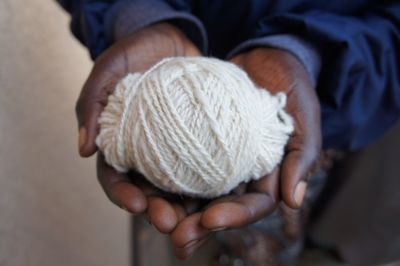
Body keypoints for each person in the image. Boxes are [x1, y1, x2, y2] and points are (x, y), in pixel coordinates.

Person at [57, 0, 400, 265]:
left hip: (347, 93)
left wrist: (312, 53)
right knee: (232, 227)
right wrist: (134, 14)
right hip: (221, 100)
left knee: (331, 224)